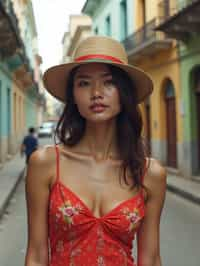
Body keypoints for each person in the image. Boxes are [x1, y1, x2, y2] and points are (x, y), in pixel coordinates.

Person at [24, 36, 166, 266]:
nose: (97, 92)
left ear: (124, 93)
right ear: (73, 97)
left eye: (109, 82)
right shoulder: (46, 163)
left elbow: (150, 258)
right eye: (84, 83)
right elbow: (36, 255)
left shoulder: (150, 173)